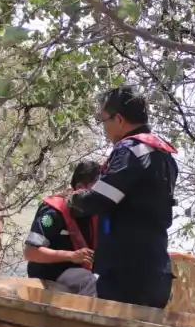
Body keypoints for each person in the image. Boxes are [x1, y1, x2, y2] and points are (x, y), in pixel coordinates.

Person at [66, 85, 179, 309]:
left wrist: (72, 199)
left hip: (127, 274)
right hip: (156, 270)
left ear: (118, 119)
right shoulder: (164, 154)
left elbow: (103, 198)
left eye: (103, 120)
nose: (104, 128)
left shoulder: (129, 150)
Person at [23, 160, 101, 296]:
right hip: (50, 272)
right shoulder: (53, 211)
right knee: (92, 282)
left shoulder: (95, 212)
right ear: (80, 187)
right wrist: (71, 256)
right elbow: (30, 252)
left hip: (80, 269)